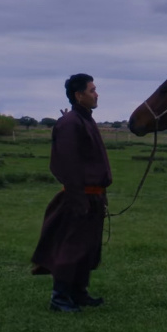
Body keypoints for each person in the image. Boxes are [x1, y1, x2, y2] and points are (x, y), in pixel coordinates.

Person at [30, 73, 112, 313]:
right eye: (92, 90)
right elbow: (66, 165)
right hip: (79, 197)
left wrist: (100, 196)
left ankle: (78, 292)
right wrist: (78, 199)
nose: (96, 94)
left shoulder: (86, 120)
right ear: (79, 96)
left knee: (88, 247)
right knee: (72, 246)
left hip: (94, 196)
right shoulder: (70, 123)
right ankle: (60, 297)